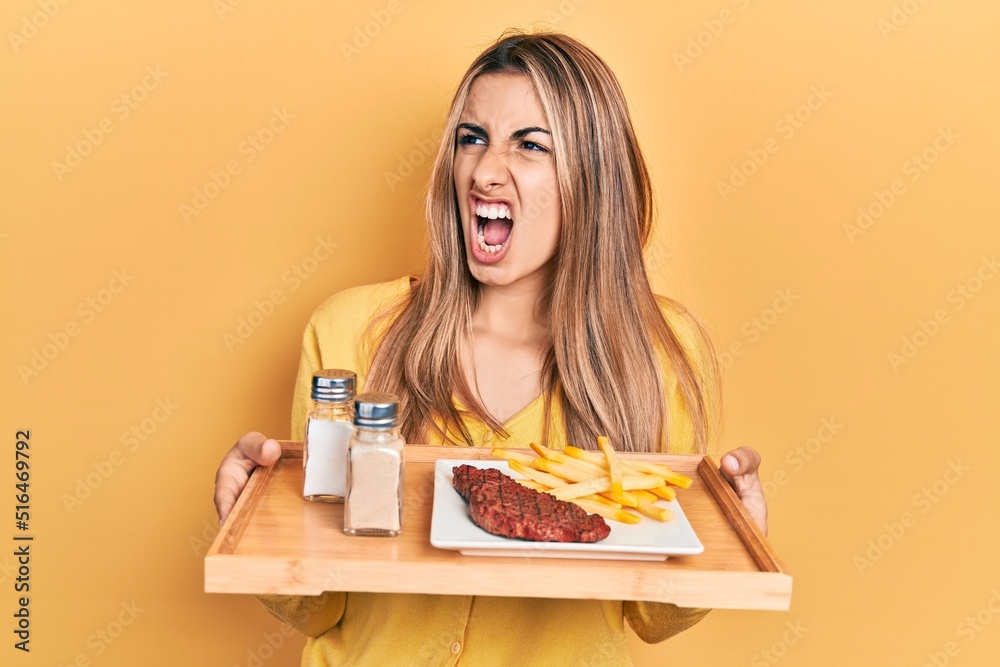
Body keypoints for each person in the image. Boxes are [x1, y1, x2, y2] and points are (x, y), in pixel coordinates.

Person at [214, 30, 768, 666]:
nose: (482, 171)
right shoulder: (348, 335)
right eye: (470, 138)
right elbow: (325, 603)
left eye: (530, 145)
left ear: (592, 180)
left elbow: (652, 616)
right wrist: (251, 534)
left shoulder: (660, 354)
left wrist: (732, 531)